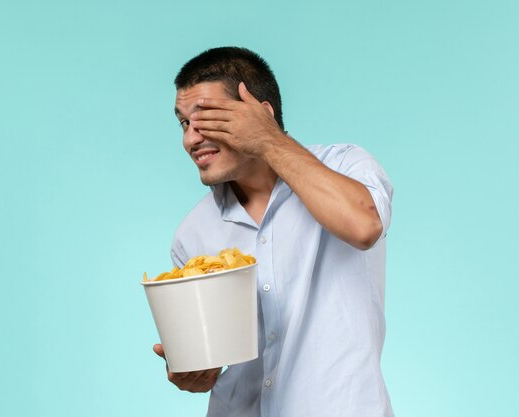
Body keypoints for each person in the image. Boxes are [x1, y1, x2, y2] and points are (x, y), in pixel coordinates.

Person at [153, 46, 394, 417]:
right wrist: (194, 372)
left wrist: (267, 140)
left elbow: (364, 227)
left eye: (209, 119)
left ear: (261, 113)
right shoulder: (192, 233)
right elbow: (210, 362)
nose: (190, 140)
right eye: (185, 124)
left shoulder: (346, 165)